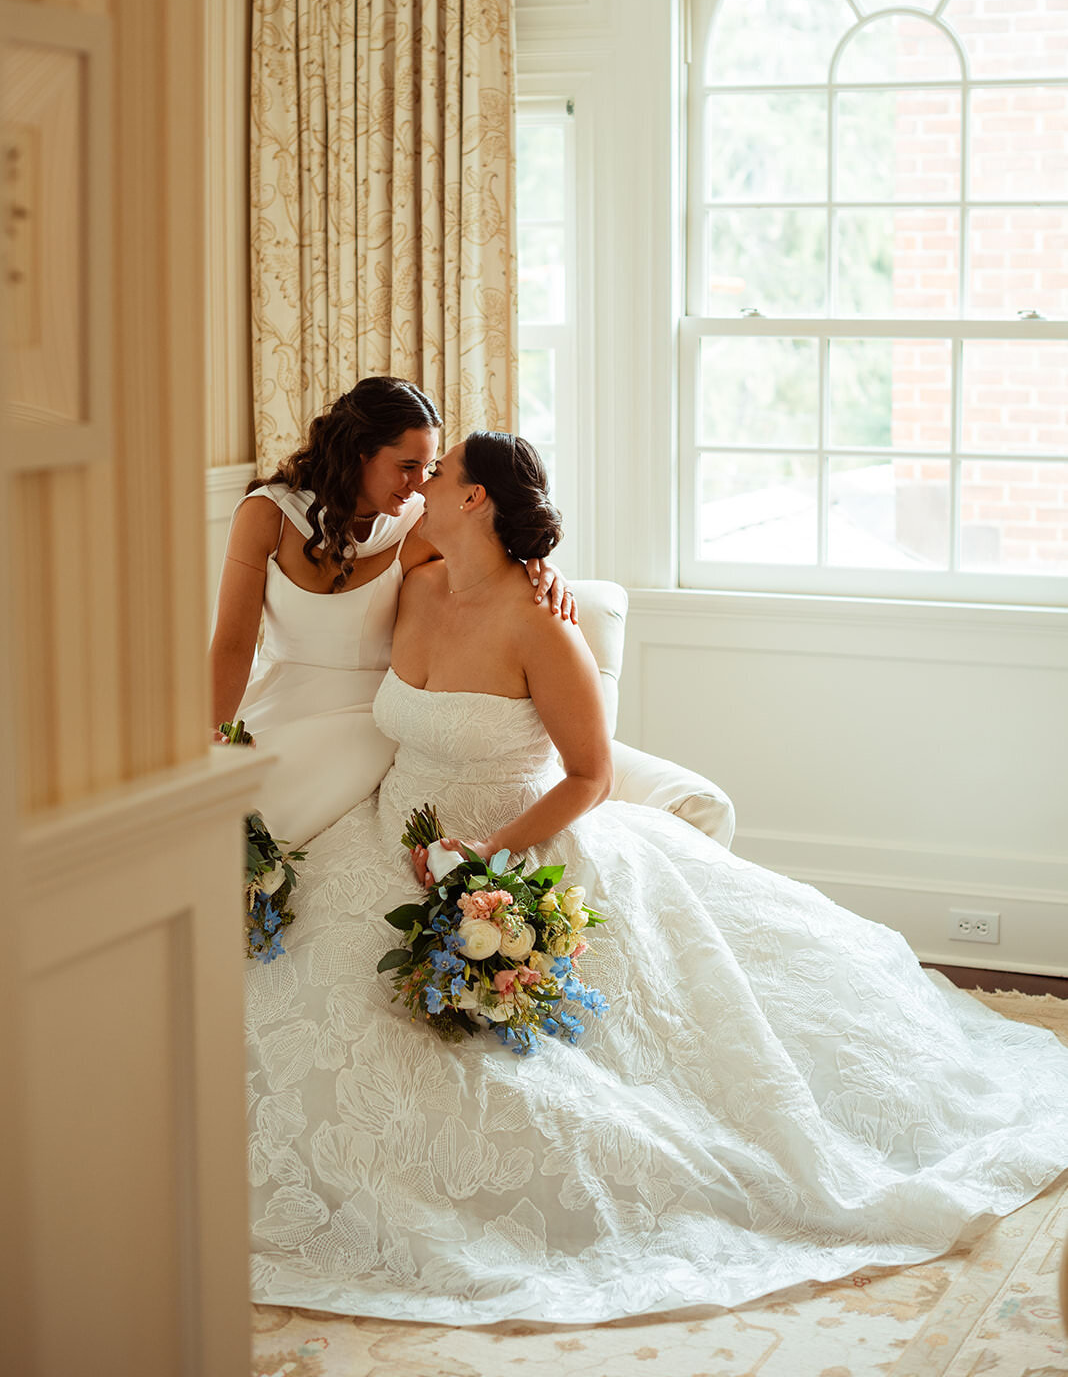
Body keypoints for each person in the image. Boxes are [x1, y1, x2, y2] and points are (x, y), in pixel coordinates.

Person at [245, 431, 1068, 1326]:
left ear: (474, 499)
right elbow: (315, 589)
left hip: (516, 855)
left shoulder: (541, 624)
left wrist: (488, 862)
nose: (421, 488)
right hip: (389, 842)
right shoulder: (415, 573)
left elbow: (590, 777)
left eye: (438, 475)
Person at [210, 378, 571, 843]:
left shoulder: (420, 526)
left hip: (373, 719)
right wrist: (209, 735)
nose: (420, 483)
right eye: (406, 466)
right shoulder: (266, 515)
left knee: (265, 823)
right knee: (207, 810)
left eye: (427, 467)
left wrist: (541, 565)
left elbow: (489, 553)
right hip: (281, 698)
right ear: (359, 452)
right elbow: (233, 644)